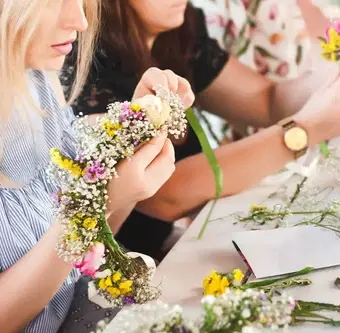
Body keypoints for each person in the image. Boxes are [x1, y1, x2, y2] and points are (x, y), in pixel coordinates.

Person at [63, 0, 340, 261]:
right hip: (116, 272)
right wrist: (301, 132)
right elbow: (160, 194)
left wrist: (338, 75)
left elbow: (266, 101)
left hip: (172, 250)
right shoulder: (85, 60)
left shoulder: (179, 31)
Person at [0, 0, 194, 332]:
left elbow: (83, 259)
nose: (80, 21)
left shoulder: (37, 78)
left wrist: (131, 134)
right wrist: (96, 205)